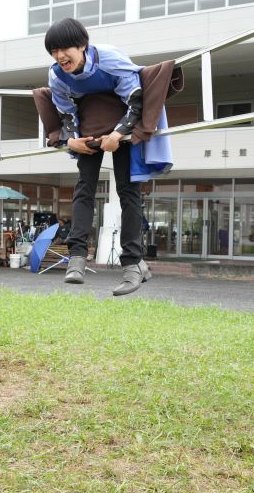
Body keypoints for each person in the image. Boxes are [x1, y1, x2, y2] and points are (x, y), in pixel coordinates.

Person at [45, 18, 171, 296]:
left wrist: (118, 135)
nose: (59, 56)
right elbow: (65, 112)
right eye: (53, 51)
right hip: (88, 126)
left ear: (83, 45)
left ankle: (132, 264)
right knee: (84, 187)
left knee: (128, 191)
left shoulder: (110, 59)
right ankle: (76, 256)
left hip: (123, 123)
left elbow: (136, 101)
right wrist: (71, 139)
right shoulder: (56, 74)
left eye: (65, 49)